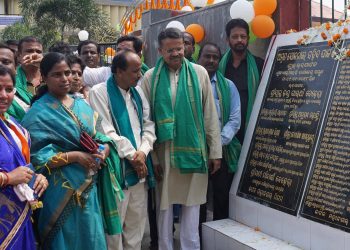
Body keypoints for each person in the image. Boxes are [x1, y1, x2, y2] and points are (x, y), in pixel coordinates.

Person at [21, 52, 117, 250]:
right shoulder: (37, 113)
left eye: (67, 73)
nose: (65, 79)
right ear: (44, 77)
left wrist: (105, 149)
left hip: (89, 187)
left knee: (90, 237)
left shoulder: (82, 104)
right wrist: (74, 156)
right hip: (60, 193)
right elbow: (34, 157)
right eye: (57, 74)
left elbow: (99, 134)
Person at [141, 28, 222, 250]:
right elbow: (145, 120)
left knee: (193, 206)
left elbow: (210, 116)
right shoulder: (150, 78)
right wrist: (154, 159)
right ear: (160, 51)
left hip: (195, 150)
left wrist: (215, 151)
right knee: (164, 209)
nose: (176, 53)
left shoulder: (199, 73)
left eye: (180, 48)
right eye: (170, 50)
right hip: (164, 154)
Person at [89, 50, 156, 250]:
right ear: (118, 71)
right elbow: (104, 130)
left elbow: (149, 125)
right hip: (117, 172)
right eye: (135, 71)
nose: (139, 75)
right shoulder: (99, 92)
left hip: (140, 169)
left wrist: (143, 152)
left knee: (136, 228)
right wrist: (132, 155)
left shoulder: (138, 93)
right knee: (114, 230)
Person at [0, 64, 48, 249]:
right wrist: (8, 178)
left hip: (21, 213)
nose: (4, 95)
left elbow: (23, 166)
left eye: (9, 89)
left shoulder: (15, 127)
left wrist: (37, 178)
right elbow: (13, 173)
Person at [198, 43, 241, 225]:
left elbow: (234, 119)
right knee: (196, 200)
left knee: (221, 195)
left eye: (215, 57)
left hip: (221, 151)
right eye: (207, 56)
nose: (211, 60)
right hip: (195, 150)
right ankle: (197, 238)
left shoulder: (228, 86)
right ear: (199, 58)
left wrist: (217, 144)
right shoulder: (189, 84)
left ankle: (218, 236)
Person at [219, 18, 264, 145]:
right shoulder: (219, 64)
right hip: (224, 128)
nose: (239, 40)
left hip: (249, 126)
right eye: (235, 36)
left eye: (243, 36)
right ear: (227, 40)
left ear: (248, 38)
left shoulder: (259, 64)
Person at [7, 36, 43, 122]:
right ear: (19, 56)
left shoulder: (51, 78)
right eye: (29, 51)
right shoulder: (10, 81)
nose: (34, 55)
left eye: (38, 52)